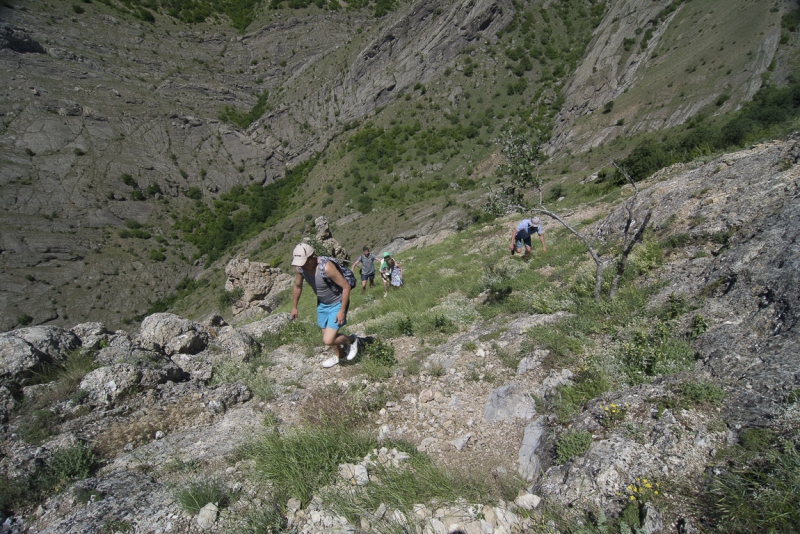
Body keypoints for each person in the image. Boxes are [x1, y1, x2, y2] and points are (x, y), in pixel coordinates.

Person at [290, 243, 358, 368]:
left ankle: (352, 340)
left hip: (337, 302)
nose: (302, 266)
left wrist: (342, 310)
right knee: (326, 335)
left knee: (328, 340)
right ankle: (340, 356)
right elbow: (297, 286)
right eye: (300, 263)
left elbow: (346, 286)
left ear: (312, 257)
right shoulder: (300, 268)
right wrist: (294, 307)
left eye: (304, 262)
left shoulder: (326, 267)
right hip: (322, 304)